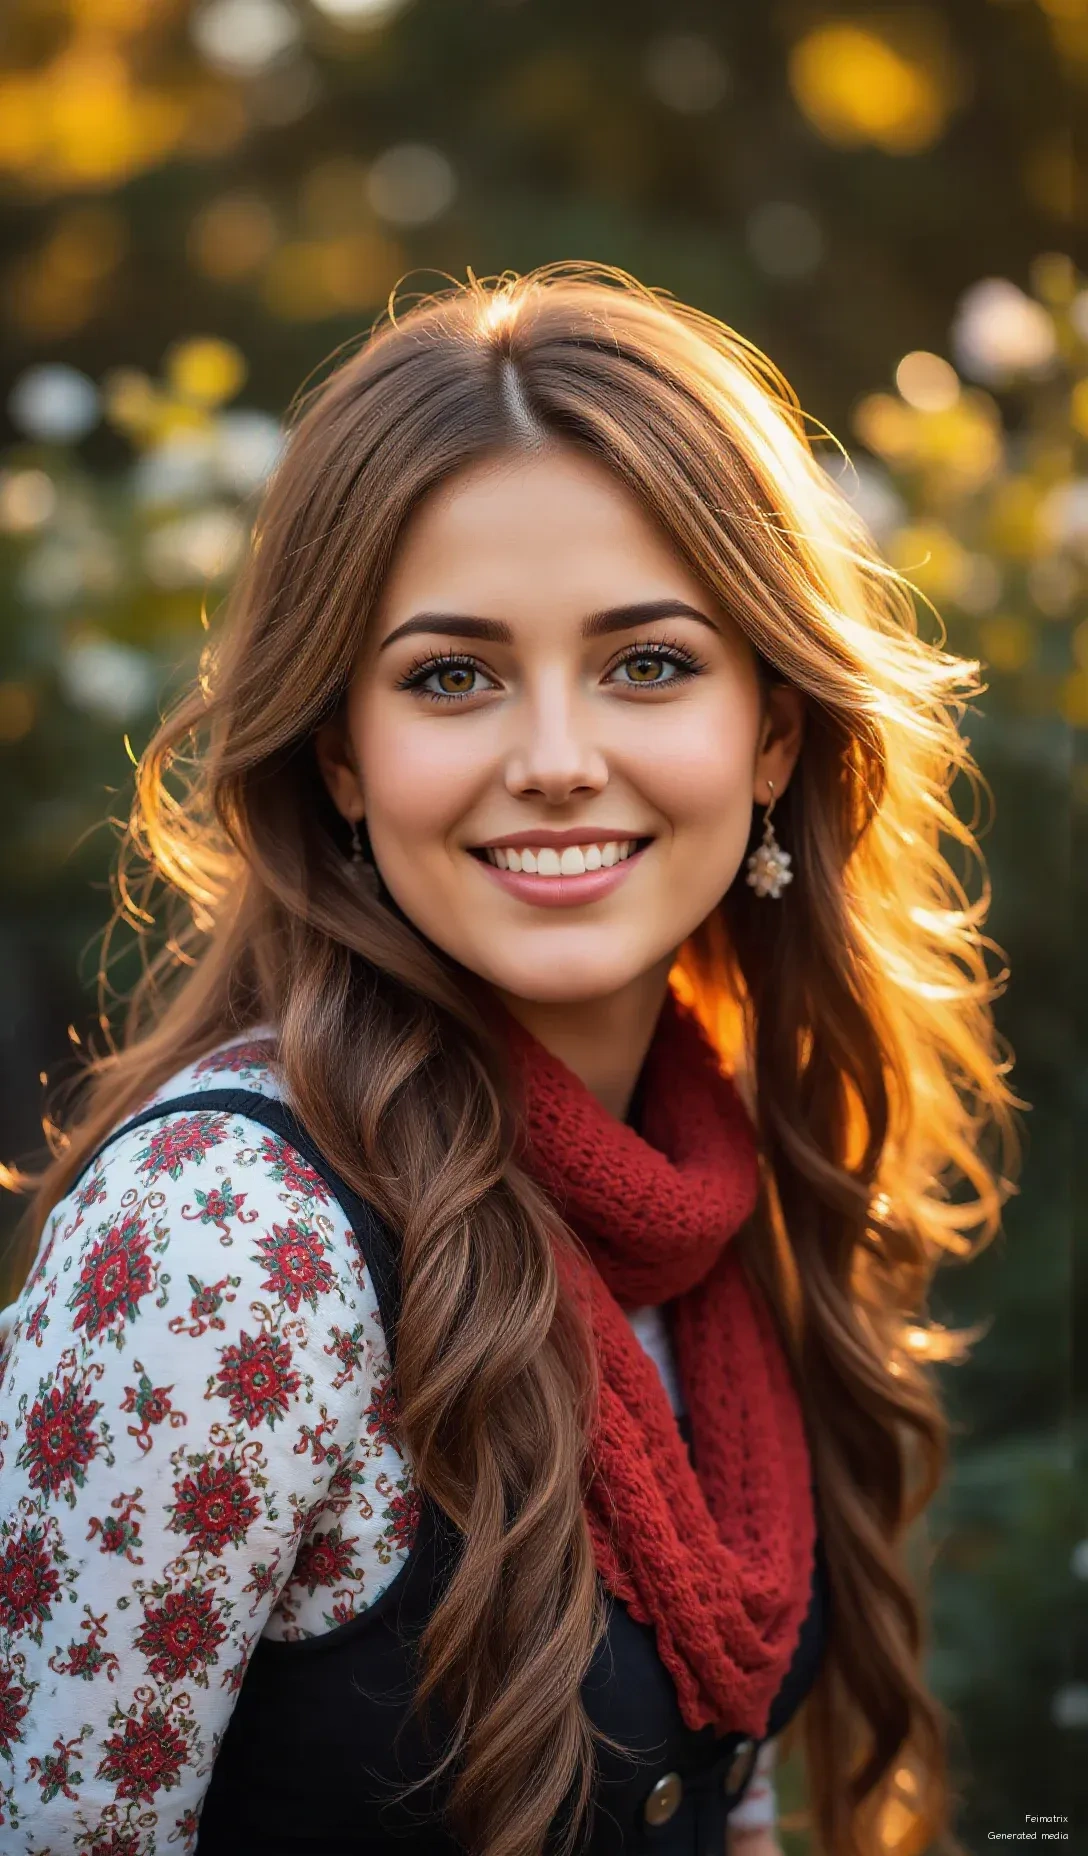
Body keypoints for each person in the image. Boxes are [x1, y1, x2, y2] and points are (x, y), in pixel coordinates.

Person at [0, 263, 1018, 1856]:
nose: (554, 761)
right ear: (342, 752)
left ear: (770, 734)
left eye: (649, 664)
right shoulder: (222, 1238)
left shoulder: (717, 1190)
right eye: (451, 676)